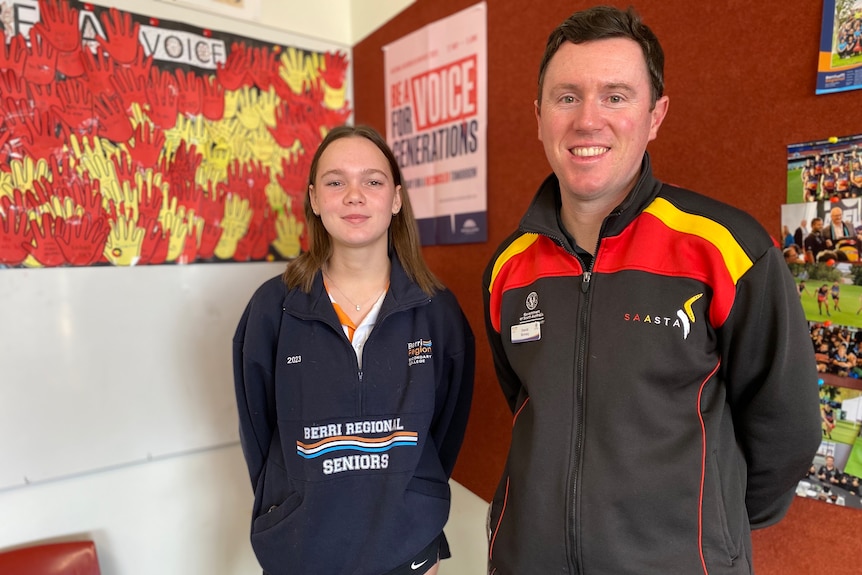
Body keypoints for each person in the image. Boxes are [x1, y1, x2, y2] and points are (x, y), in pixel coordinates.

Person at [482, 7, 820, 574]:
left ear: (655, 114)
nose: (588, 120)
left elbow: (787, 427)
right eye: (567, 97)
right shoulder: (509, 268)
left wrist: (716, 535)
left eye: (615, 96)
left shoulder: (727, 248)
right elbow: (524, 403)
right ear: (539, 116)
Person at [233, 125, 475, 575]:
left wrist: (417, 499)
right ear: (314, 198)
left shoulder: (437, 311)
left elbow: (444, 431)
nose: (354, 195)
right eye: (336, 181)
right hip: (301, 552)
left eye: (373, 181)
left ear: (396, 199)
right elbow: (259, 433)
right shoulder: (273, 309)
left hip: (408, 551)